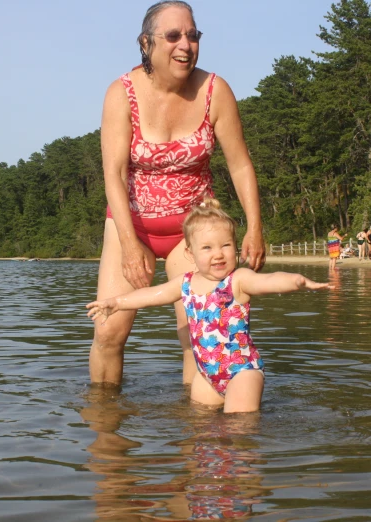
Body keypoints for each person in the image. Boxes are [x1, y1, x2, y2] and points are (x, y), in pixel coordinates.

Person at [91, 1, 266, 387]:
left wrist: (255, 226)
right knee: (108, 332)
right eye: (172, 35)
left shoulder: (214, 91)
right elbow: (114, 173)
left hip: (193, 233)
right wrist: (128, 241)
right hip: (130, 224)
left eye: (192, 35)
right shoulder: (121, 93)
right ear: (145, 42)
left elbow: (239, 164)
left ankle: (197, 434)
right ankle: (105, 429)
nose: (184, 44)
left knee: (196, 337)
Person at [87, 199, 330, 413]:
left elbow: (268, 280)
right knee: (201, 426)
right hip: (207, 376)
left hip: (242, 372)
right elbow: (151, 295)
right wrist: (117, 302)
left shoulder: (238, 280)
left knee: (238, 429)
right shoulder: (185, 284)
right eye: (207, 248)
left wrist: (297, 281)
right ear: (190, 253)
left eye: (225, 245)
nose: (218, 254)